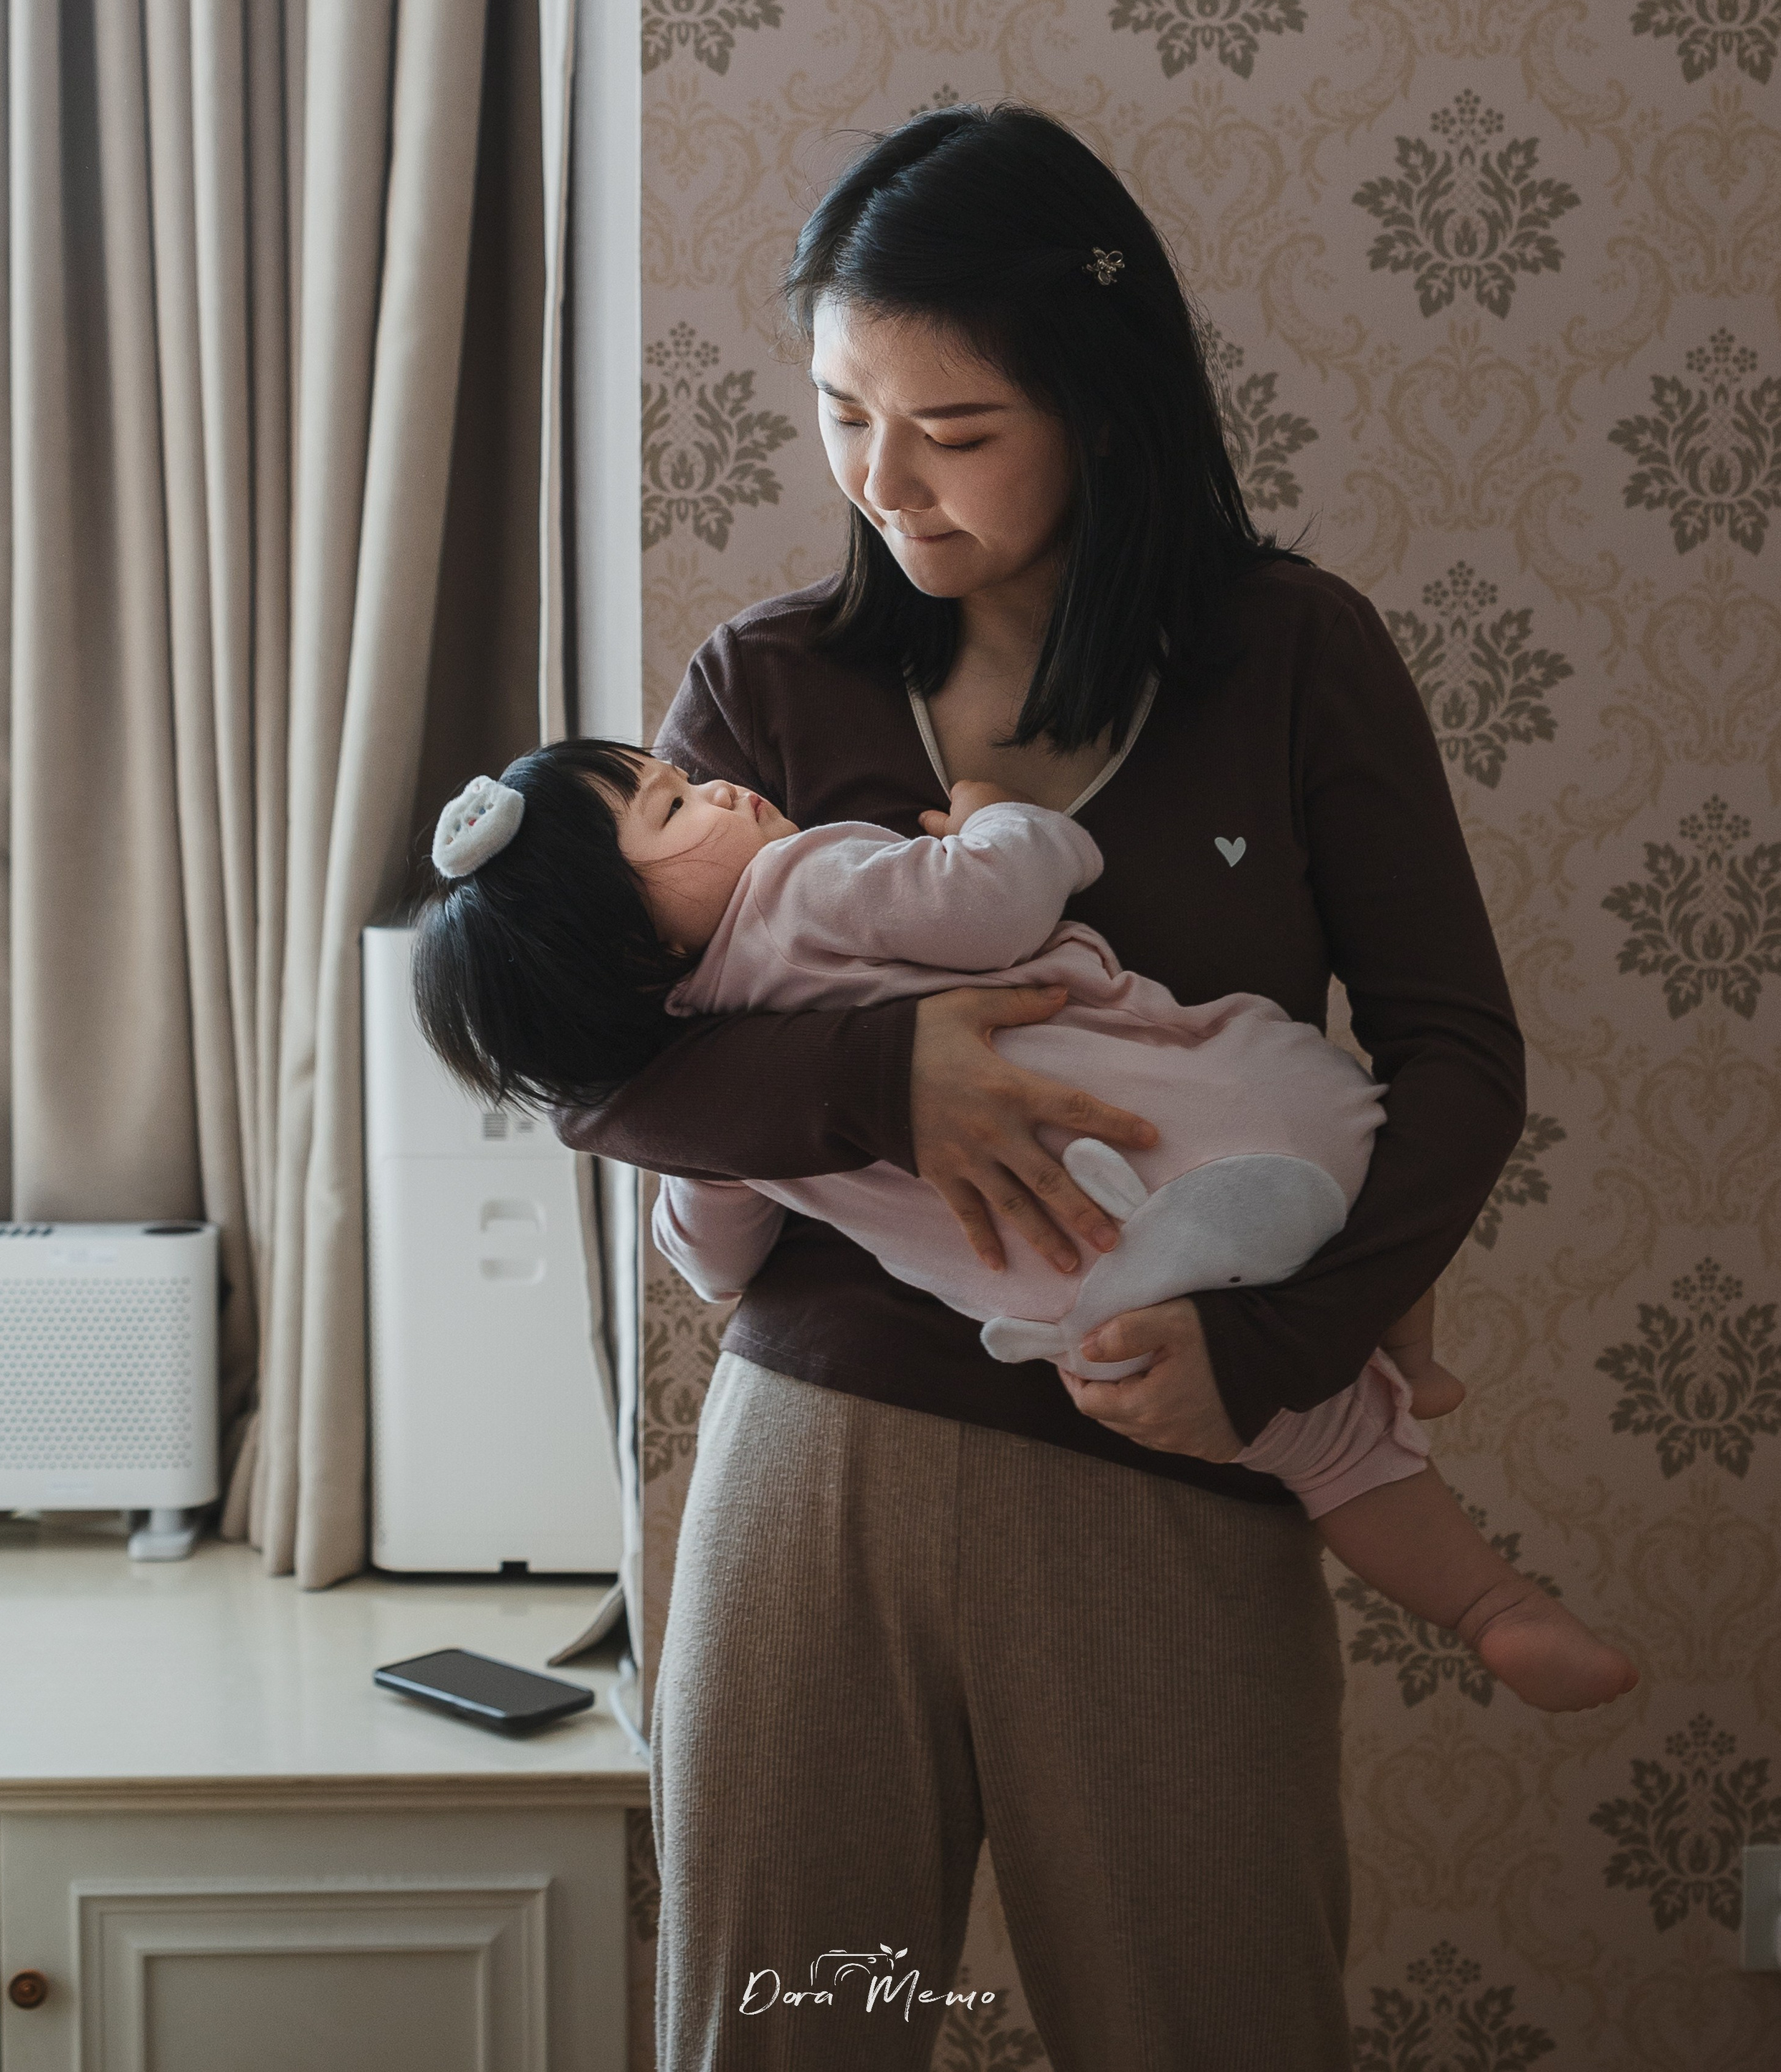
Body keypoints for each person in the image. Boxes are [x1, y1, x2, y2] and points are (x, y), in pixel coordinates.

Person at [555, 103, 1535, 2068]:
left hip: (1167, 1461)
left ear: (1103, 405)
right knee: (781, 2026)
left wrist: (1272, 1359)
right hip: (811, 1463)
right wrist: (878, 1072)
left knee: (1212, 2020)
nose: (885, 483)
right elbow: (604, 1072)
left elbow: (1458, 1057)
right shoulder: (766, 687)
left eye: (957, 431)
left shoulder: (1291, 656)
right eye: (844, 413)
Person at [412, 744, 1637, 1719]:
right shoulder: (802, 885)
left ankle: (1490, 1607)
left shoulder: (723, 1089)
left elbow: (714, 1259)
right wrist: (1006, 816)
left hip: (1102, 1291)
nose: (717, 784)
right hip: (1223, 1120)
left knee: (1322, 1448)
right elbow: (993, 904)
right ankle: (1407, 1351)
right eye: (673, 807)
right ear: (639, 951)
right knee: (1354, 1134)